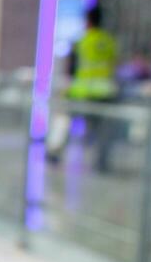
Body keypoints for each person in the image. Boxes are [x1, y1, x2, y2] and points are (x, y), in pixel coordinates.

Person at [50, 9, 121, 172]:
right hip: (104, 92)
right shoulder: (108, 41)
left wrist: (67, 88)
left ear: (87, 21)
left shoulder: (82, 41)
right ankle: (101, 162)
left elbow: (72, 68)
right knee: (103, 131)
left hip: (82, 92)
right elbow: (114, 65)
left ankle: (55, 152)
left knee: (65, 121)